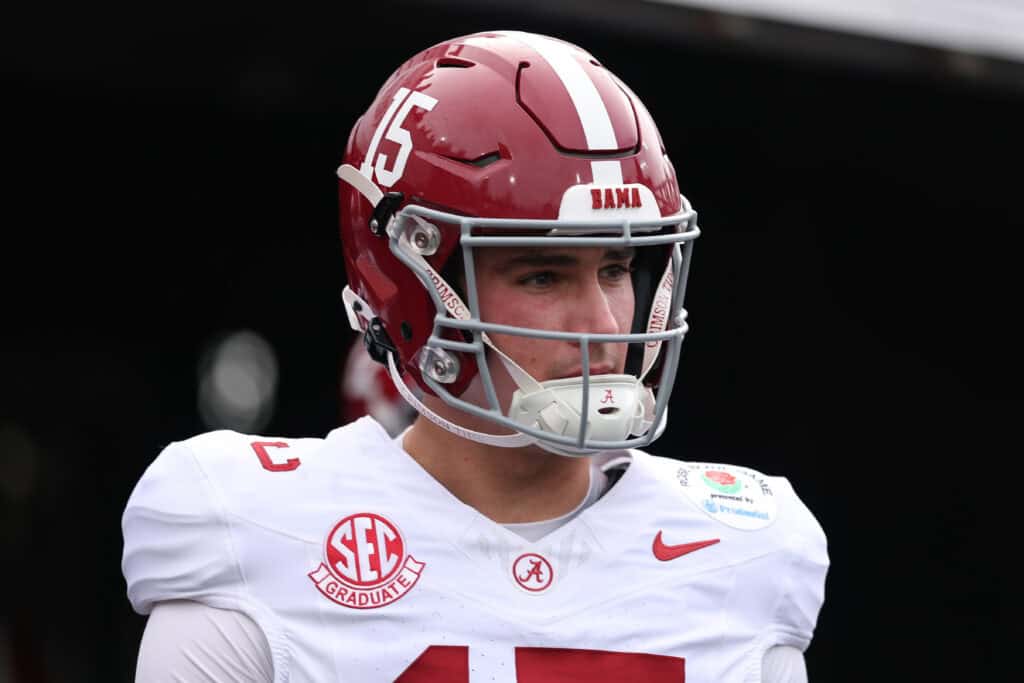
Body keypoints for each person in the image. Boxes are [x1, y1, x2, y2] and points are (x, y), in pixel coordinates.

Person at [122, 30, 828, 682]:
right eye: (543, 275)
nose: (605, 322)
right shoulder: (255, 534)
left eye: (616, 268)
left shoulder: (745, 554)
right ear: (410, 286)